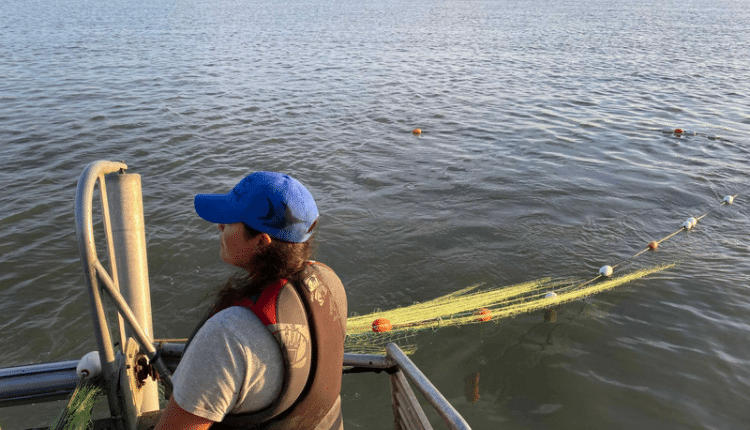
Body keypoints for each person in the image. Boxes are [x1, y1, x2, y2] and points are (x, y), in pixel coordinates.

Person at [155, 172, 348, 430]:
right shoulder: (329, 283)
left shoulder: (227, 335)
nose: (219, 226)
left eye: (230, 221)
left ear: (261, 242)